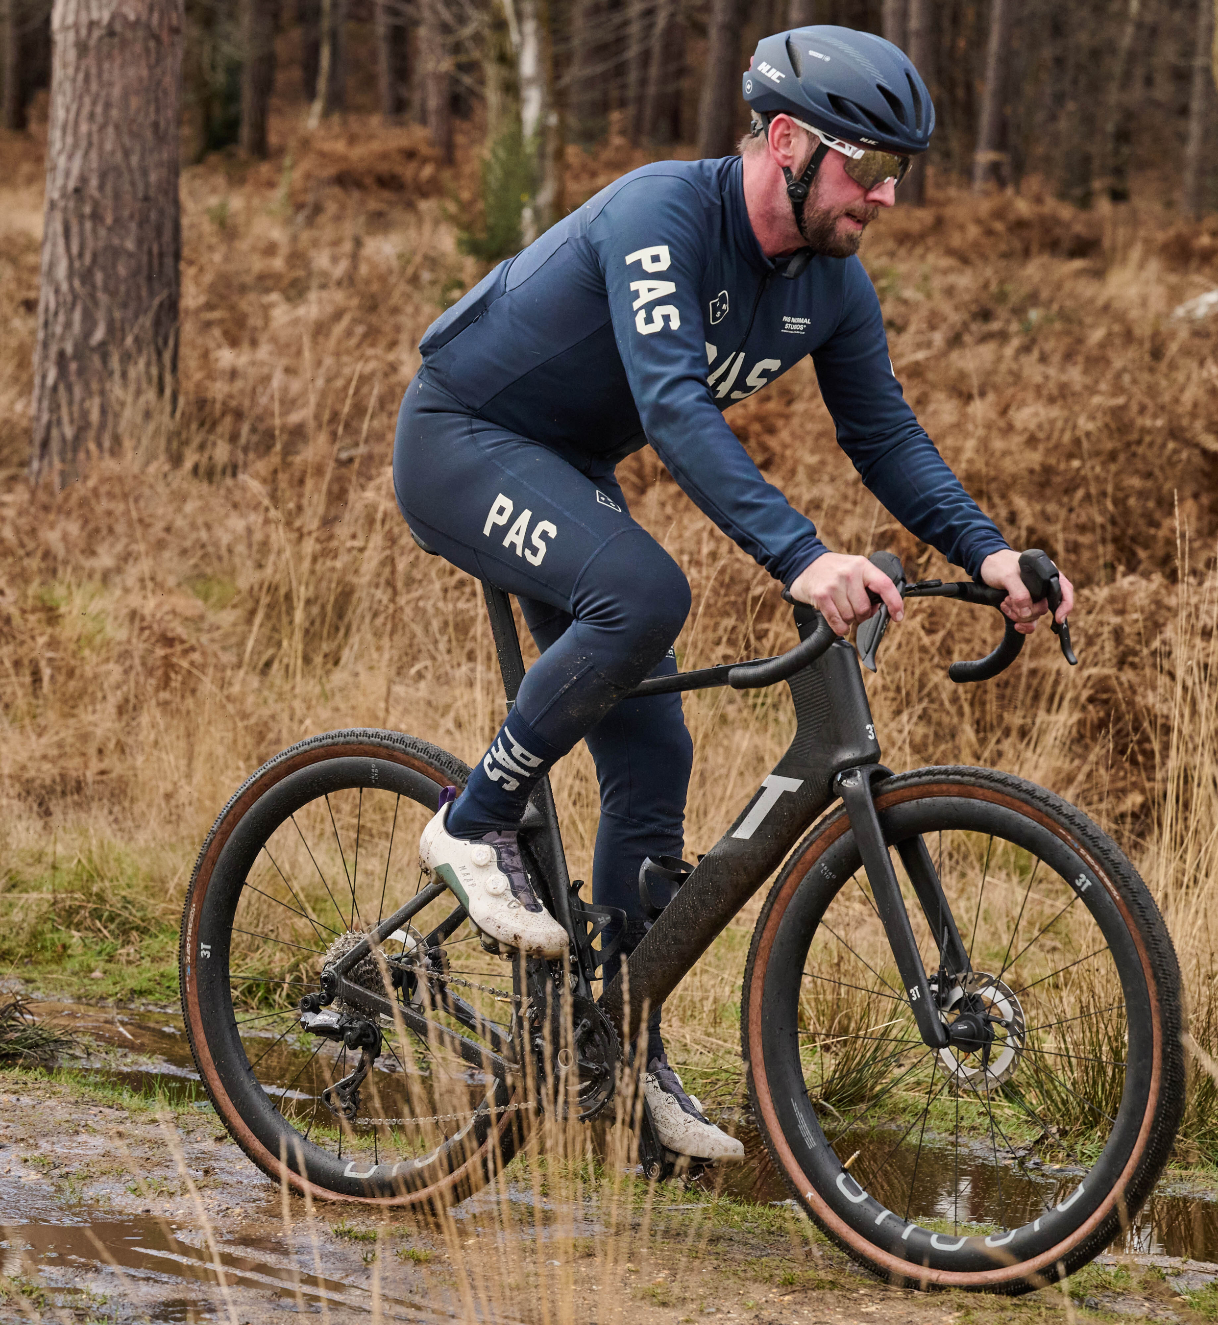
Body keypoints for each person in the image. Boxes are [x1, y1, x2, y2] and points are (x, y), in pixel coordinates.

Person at [391, 25, 1074, 1163]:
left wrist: (989, 551)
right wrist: (801, 556)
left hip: (564, 463)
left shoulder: (830, 282)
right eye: (868, 166)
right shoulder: (661, 214)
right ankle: (472, 822)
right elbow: (672, 407)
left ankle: (619, 1046)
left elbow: (883, 435)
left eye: (899, 172)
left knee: (654, 752)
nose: (886, 196)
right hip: (462, 438)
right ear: (789, 143)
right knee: (644, 593)